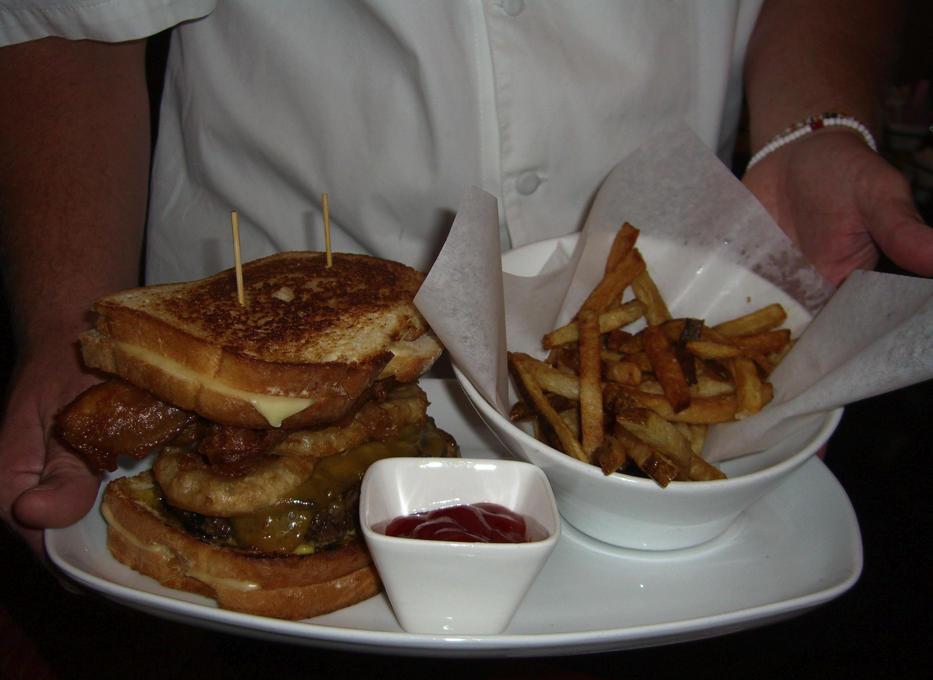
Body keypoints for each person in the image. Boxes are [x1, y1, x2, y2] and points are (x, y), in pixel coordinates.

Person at [1, 0, 931, 558]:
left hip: (683, 381)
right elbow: (66, 20)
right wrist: (63, 314)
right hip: (231, 290)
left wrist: (812, 128)